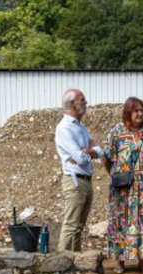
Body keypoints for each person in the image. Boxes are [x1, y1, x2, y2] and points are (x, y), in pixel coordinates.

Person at [103, 97, 143, 273]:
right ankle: (119, 261)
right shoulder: (117, 132)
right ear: (128, 112)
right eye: (136, 111)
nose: (140, 114)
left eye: (142, 111)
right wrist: (115, 175)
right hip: (124, 188)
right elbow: (106, 156)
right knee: (121, 222)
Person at [54, 88, 104, 252]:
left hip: (86, 180)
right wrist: (90, 153)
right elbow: (82, 158)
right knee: (71, 225)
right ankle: (63, 263)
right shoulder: (64, 128)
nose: (86, 103)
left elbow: (99, 150)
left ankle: (74, 262)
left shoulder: (80, 127)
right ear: (71, 104)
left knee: (79, 226)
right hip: (74, 180)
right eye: (82, 100)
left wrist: (90, 152)